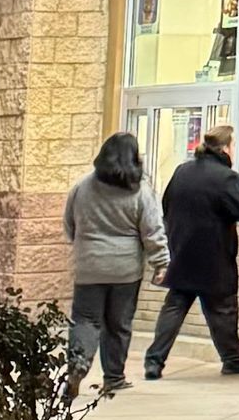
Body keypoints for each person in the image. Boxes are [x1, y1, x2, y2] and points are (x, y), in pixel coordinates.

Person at [143, 126, 239, 379]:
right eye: (233, 146)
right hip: (214, 254)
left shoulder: (183, 170)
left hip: (182, 250)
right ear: (225, 148)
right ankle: (233, 359)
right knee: (222, 308)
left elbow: (166, 204)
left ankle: (154, 362)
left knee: (175, 306)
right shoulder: (225, 177)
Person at [62, 131, 166, 398]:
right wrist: (160, 262)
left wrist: (84, 245)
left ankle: (77, 368)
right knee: (118, 324)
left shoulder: (82, 186)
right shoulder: (140, 191)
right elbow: (152, 230)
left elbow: (69, 223)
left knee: (85, 321)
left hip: (89, 266)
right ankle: (114, 378)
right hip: (125, 269)